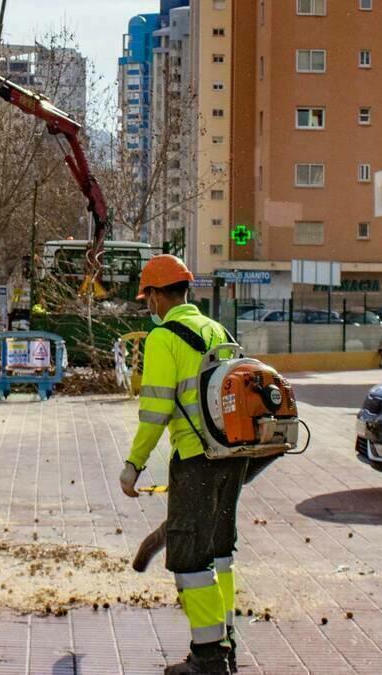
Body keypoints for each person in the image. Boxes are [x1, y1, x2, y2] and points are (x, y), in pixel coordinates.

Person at [118, 254, 247, 675]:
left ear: (157, 295)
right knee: (220, 551)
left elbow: (155, 409)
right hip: (232, 456)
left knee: (191, 558)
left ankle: (208, 658)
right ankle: (225, 643)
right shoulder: (217, 330)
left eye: (148, 297)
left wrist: (134, 464)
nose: (148, 305)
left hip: (195, 458)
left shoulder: (164, 338)